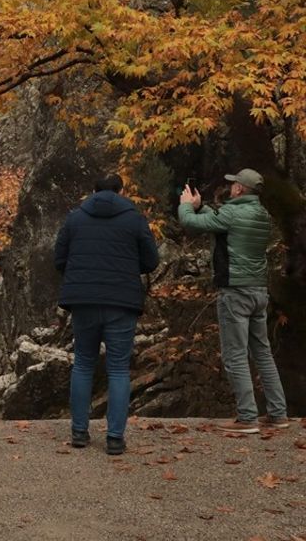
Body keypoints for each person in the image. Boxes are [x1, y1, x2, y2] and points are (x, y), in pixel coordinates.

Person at [54, 173, 160, 455]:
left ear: (94, 190)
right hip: (122, 302)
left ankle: (79, 431)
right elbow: (151, 261)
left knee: (84, 364)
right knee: (117, 369)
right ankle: (114, 437)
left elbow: (59, 259)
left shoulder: (75, 218)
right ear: (121, 190)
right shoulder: (134, 218)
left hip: (83, 301)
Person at [178, 168, 289, 433]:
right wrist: (201, 205)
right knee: (262, 352)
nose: (230, 188)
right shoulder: (261, 214)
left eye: (233, 185)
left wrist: (185, 207)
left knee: (235, 354)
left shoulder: (233, 213)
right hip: (258, 291)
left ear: (239, 189)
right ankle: (278, 413)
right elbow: (220, 223)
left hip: (235, 291)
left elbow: (193, 224)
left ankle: (247, 417)